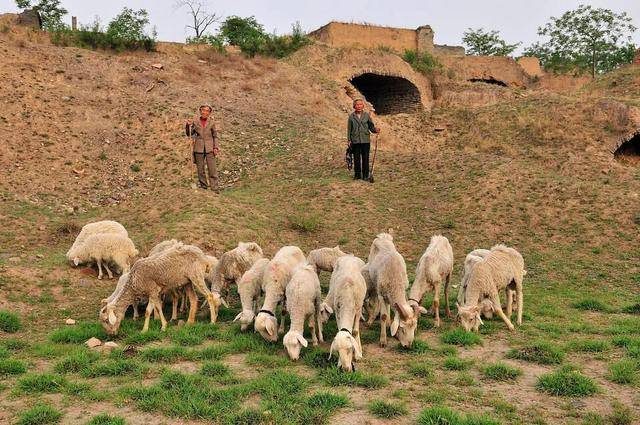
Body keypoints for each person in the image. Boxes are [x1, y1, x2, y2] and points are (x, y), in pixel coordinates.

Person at [186, 104, 219, 191]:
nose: (205, 112)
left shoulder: (212, 122)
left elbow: (215, 136)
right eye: (203, 110)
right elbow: (189, 133)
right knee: (200, 170)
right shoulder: (195, 122)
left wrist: (216, 147)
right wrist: (188, 125)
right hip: (198, 148)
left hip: (210, 148)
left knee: (212, 169)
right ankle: (204, 186)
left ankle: (214, 188)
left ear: (210, 113)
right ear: (200, 111)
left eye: (207, 111)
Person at [347, 99, 380, 180]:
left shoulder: (366, 115)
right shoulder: (351, 116)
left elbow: (371, 126)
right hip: (355, 140)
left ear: (363, 106)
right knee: (356, 158)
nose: (359, 106)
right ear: (354, 106)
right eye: (357, 105)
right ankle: (357, 175)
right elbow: (349, 129)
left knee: (365, 158)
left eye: (360, 104)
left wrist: (375, 130)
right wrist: (349, 140)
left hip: (365, 140)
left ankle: (366, 175)